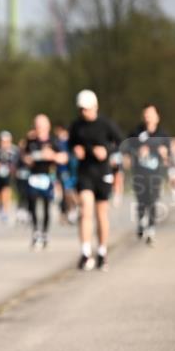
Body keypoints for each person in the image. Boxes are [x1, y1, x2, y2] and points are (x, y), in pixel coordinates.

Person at [69, 89, 124, 271]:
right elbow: (70, 144)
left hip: (103, 173)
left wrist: (106, 151)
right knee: (85, 210)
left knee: (101, 214)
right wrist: (75, 150)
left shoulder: (106, 124)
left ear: (95, 107)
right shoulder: (76, 126)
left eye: (87, 109)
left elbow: (122, 143)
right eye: (81, 109)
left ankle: (102, 252)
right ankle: (85, 253)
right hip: (85, 172)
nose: (84, 113)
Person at [20, 115, 67, 251]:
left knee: (46, 207)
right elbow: (23, 156)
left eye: (41, 125)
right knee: (33, 205)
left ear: (48, 126)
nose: (39, 128)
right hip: (34, 177)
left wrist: (51, 155)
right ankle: (36, 232)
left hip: (47, 177)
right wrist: (28, 158)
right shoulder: (30, 141)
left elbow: (64, 158)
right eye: (37, 125)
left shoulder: (53, 141)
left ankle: (45, 233)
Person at [125, 104, 169, 246]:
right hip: (139, 173)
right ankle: (141, 221)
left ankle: (151, 229)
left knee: (153, 201)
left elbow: (169, 155)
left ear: (157, 117)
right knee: (141, 201)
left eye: (150, 114)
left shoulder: (163, 135)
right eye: (145, 114)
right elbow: (127, 148)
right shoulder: (137, 132)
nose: (147, 117)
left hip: (155, 174)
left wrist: (164, 153)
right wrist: (137, 151)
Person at [0, 131, 20, 223]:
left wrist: (13, 170)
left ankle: (5, 211)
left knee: (6, 190)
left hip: (8, 174)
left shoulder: (15, 150)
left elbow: (17, 162)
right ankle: (0, 204)